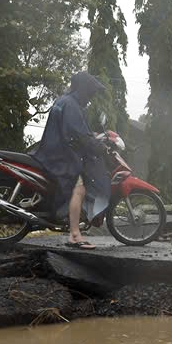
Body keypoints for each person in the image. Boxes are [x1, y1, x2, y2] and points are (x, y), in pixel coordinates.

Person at [33, 71, 112, 248]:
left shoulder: (65, 101)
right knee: (80, 188)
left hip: (52, 151)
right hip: (61, 156)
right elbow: (79, 135)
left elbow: (77, 131)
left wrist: (93, 136)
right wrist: (97, 146)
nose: (91, 97)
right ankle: (75, 235)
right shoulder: (71, 105)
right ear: (83, 89)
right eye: (90, 92)